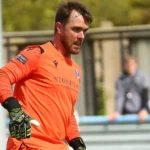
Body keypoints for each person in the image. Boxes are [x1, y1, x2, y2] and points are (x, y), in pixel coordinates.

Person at [0, 1, 93, 150]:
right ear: (59, 28)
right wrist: (14, 108)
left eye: (84, 31)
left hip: (57, 146)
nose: (81, 36)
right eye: (76, 29)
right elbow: (2, 76)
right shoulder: (37, 54)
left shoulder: (76, 70)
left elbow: (67, 113)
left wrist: (76, 140)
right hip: (29, 144)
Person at [109, 56, 149, 122]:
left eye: (131, 64)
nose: (130, 66)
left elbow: (146, 95)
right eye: (127, 64)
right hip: (126, 113)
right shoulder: (120, 79)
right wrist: (117, 111)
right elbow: (119, 96)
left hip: (141, 113)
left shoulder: (142, 77)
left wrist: (144, 110)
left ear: (136, 65)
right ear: (124, 65)